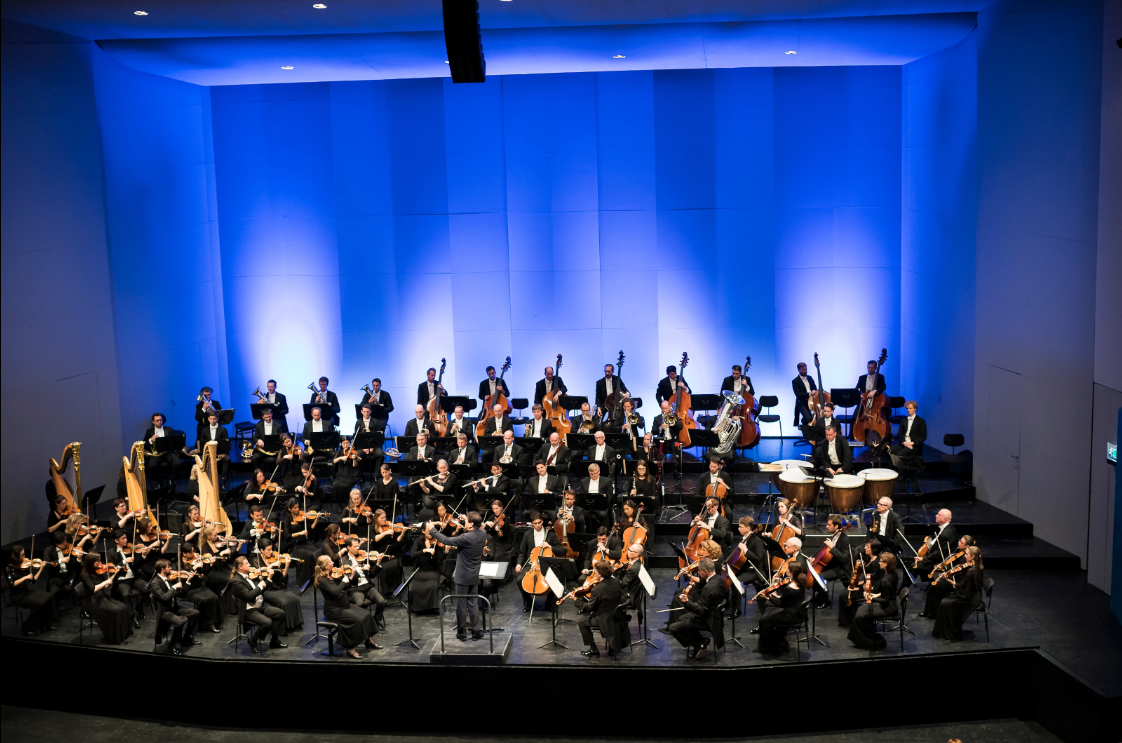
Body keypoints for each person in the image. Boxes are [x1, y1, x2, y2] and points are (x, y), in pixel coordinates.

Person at [428, 511, 488, 641]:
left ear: (471, 524)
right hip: (474, 575)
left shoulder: (466, 538)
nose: (464, 522)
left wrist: (432, 530)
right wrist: (467, 518)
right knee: (473, 603)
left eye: (467, 521)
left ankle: (462, 632)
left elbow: (446, 540)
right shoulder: (483, 533)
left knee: (461, 604)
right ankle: (475, 631)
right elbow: (477, 526)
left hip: (462, 576)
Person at [314, 555, 381, 658]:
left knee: (366, 614)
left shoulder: (332, 575)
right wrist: (343, 582)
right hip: (333, 609)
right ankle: (350, 648)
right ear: (326, 566)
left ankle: (369, 640)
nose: (333, 563)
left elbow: (345, 589)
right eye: (330, 562)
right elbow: (336, 592)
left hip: (343, 604)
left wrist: (350, 577)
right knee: (356, 620)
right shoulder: (323, 580)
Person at [668, 558, 726, 659]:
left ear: (706, 572)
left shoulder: (708, 588)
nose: (698, 573)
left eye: (699, 571)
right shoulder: (719, 579)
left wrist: (687, 602)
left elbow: (701, 610)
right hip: (715, 616)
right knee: (680, 619)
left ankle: (699, 643)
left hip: (707, 620)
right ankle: (700, 642)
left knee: (672, 628)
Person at [228, 556, 287, 653]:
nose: (250, 565)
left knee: (280, 613)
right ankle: (252, 640)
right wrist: (259, 585)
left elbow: (264, 587)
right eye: (247, 563)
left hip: (260, 605)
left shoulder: (251, 576)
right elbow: (249, 596)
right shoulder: (236, 581)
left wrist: (269, 578)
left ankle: (274, 641)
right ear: (240, 567)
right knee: (267, 623)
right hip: (249, 610)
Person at [932, 546, 986, 641]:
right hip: (972, 595)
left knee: (944, 603)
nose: (965, 556)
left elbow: (962, 588)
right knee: (944, 602)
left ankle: (950, 632)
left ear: (973, 557)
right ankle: (944, 631)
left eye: (967, 554)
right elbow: (965, 586)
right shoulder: (977, 566)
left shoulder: (971, 571)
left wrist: (949, 580)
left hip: (970, 599)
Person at [848, 551, 900, 649]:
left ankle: (869, 641)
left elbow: (886, 600)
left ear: (886, 565)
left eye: (881, 561)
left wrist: (871, 598)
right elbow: (888, 593)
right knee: (861, 610)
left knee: (860, 616)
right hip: (891, 604)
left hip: (888, 608)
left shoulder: (885, 580)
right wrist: (874, 595)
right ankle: (865, 638)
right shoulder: (893, 574)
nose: (879, 562)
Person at [250, 540, 304, 634]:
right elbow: (261, 576)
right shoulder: (256, 561)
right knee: (283, 602)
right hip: (267, 589)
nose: (271, 552)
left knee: (294, 599)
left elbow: (283, 578)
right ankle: (285, 627)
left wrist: (286, 565)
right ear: (261, 550)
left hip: (278, 587)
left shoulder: (275, 559)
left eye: (271, 549)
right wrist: (271, 565)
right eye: (268, 550)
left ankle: (295, 624)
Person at [149, 559, 201, 654]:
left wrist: (188, 581)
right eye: (168, 567)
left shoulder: (169, 578)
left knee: (195, 613)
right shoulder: (155, 583)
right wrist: (174, 587)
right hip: (164, 611)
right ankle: (173, 644)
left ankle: (185, 638)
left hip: (173, 607)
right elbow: (164, 597)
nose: (171, 569)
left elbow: (180, 594)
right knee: (179, 622)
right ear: (162, 569)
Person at [756, 561, 808, 656]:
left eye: (787, 568)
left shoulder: (789, 588)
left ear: (791, 573)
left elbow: (781, 604)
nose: (786, 569)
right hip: (796, 613)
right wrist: (778, 596)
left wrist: (767, 597)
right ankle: (777, 642)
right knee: (768, 613)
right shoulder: (801, 583)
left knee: (764, 621)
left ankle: (769, 647)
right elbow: (792, 599)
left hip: (789, 616)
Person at [79, 554, 132, 644]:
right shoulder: (85, 575)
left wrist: (115, 573)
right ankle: (113, 637)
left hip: (101, 596)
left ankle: (124, 634)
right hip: (92, 600)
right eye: (98, 561)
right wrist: (105, 582)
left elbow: (106, 585)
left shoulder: (97, 571)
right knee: (115, 610)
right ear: (91, 563)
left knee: (123, 606)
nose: (100, 563)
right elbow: (93, 589)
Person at [919, 535, 976, 618]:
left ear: (967, 546)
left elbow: (958, 570)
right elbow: (952, 563)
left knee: (935, 586)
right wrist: (943, 567)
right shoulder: (958, 550)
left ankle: (933, 613)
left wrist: (946, 572)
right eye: (960, 540)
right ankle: (930, 611)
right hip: (952, 575)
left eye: (961, 542)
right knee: (932, 586)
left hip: (957, 580)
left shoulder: (965, 557)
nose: (959, 542)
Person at [514, 512, 561, 612]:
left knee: (553, 578)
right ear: (531, 524)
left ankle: (550, 604)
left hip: (547, 563)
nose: (538, 525)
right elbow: (522, 552)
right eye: (535, 523)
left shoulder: (550, 535)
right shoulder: (527, 535)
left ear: (542, 521)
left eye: (539, 522)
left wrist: (550, 546)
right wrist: (518, 564)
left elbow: (561, 550)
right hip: (531, 563)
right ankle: (528, 603)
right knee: (519, 580)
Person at [5, 546, 57, 635]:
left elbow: (33, 581)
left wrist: (41, 569)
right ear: (16, 556)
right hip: (16, 596)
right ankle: (27, 626)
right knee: (39, 603)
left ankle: (47, 623)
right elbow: (12, 584)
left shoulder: (24, 566)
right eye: (22, 555)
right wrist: (25, 577)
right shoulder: (8, 568)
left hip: (25, 592)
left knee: (49, 596)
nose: (24, 557)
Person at [578, 561, 624, 658]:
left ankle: (594, 650)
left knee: (582, 622)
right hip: (617, 614)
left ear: (599, 573)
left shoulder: (598, 589)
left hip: (605, 618)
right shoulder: (616, 581)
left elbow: (589, 607)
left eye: (595, 571)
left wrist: (577, 601)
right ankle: (612, 647)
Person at [338, 537, 386, 628]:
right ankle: (359, 624)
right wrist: (361, 569)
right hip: (355, 588)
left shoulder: (363, 557)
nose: (358, 548)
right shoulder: (343, 561)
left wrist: (378, 563)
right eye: (355, 546)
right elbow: (349, 580)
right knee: (359, 604)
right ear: (348, 547)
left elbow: (371, 574)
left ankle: (375, 621)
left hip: (367, 586)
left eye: (358, 546)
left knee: (382, 601)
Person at [813, 516, 854, 608]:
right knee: (813, 572)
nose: (826, 526)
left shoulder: (844, 539)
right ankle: (819, 595)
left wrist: (832, 548)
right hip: (832, 564)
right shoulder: (834, 536)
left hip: (840, 568)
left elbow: (843, 558)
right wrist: (814, 558)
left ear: (836, 526)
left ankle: (825, 601)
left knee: (819, 577)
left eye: (829, 525)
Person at [840, 541, 882, 627]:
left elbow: (872, 582)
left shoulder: (876, 564)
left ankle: (852, 620)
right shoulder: (869, 559)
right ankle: (849, 619)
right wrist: (859, 582)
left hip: (869, 590)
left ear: (873, 549)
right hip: (865, 585)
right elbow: (867, 578)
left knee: (844, 595)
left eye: (867, 547)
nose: (865, 548)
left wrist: (857, 588)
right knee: (844, 592)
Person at [890, 400, 927, 489]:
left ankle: (901, 475)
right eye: (907, 408)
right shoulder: (903, 420)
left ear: (915, 409)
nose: (908, 410)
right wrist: (904, 443)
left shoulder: (920, 421)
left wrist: (912, 443)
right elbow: (900, 434)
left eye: (910, 408)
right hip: (905, 443)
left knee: (899, 454)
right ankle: (892, 472)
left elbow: (923, 437)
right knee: (890, 451)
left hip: (914, 445)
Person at [913, 509, 958, 577]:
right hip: (937, 556)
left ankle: (904, 586)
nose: (936, 515)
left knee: (914, 566)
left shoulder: (945, 534)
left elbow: (939, 554)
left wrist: (924, 559)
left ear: (944, 519)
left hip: (941, 561)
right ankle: (928, 584)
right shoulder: (948, 528)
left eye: (939, 515)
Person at [144, 412, 180, 478]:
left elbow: (173, 442)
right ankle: (159, 482)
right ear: (153, 422)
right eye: (157, 420)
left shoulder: (169, 429)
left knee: (177, 463)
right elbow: (144, 443)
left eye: (160, 420)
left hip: (167, 453)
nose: (159, 422)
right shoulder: (149, 431)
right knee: (151, 466)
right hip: (156, 454)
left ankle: (171, 479)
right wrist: (151, 439)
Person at [791, 362, 817, 428]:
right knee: (808, 418)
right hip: (802, 403)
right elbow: (798, 394)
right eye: (803, 369)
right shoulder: (795, 381)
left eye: (806, 369)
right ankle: (804, 425)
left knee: (817, 417)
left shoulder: (810, 378)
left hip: (812, 402)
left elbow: (815, 388)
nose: (805, 371)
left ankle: (809, 432)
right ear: (798, 370)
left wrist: (815, 391)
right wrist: (809, 394)